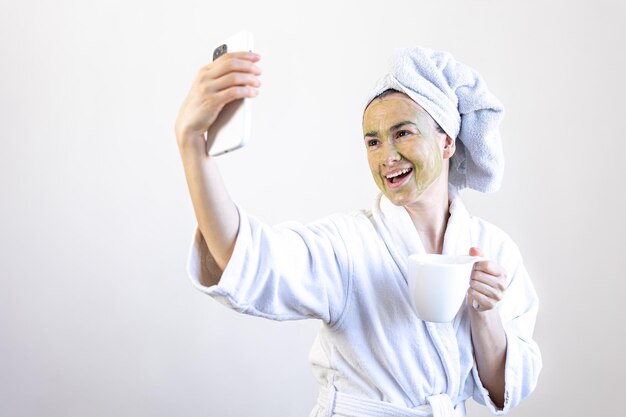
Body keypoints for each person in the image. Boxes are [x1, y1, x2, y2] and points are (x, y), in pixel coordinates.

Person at [175, 45, 542, 417]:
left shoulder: (493, 250)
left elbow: (504, 390)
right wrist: (192, 144)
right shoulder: (349, 244)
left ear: (446, 141)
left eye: (403, 133)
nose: (387, 157)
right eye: (373, 141)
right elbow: (247, 257)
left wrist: (484, 313)